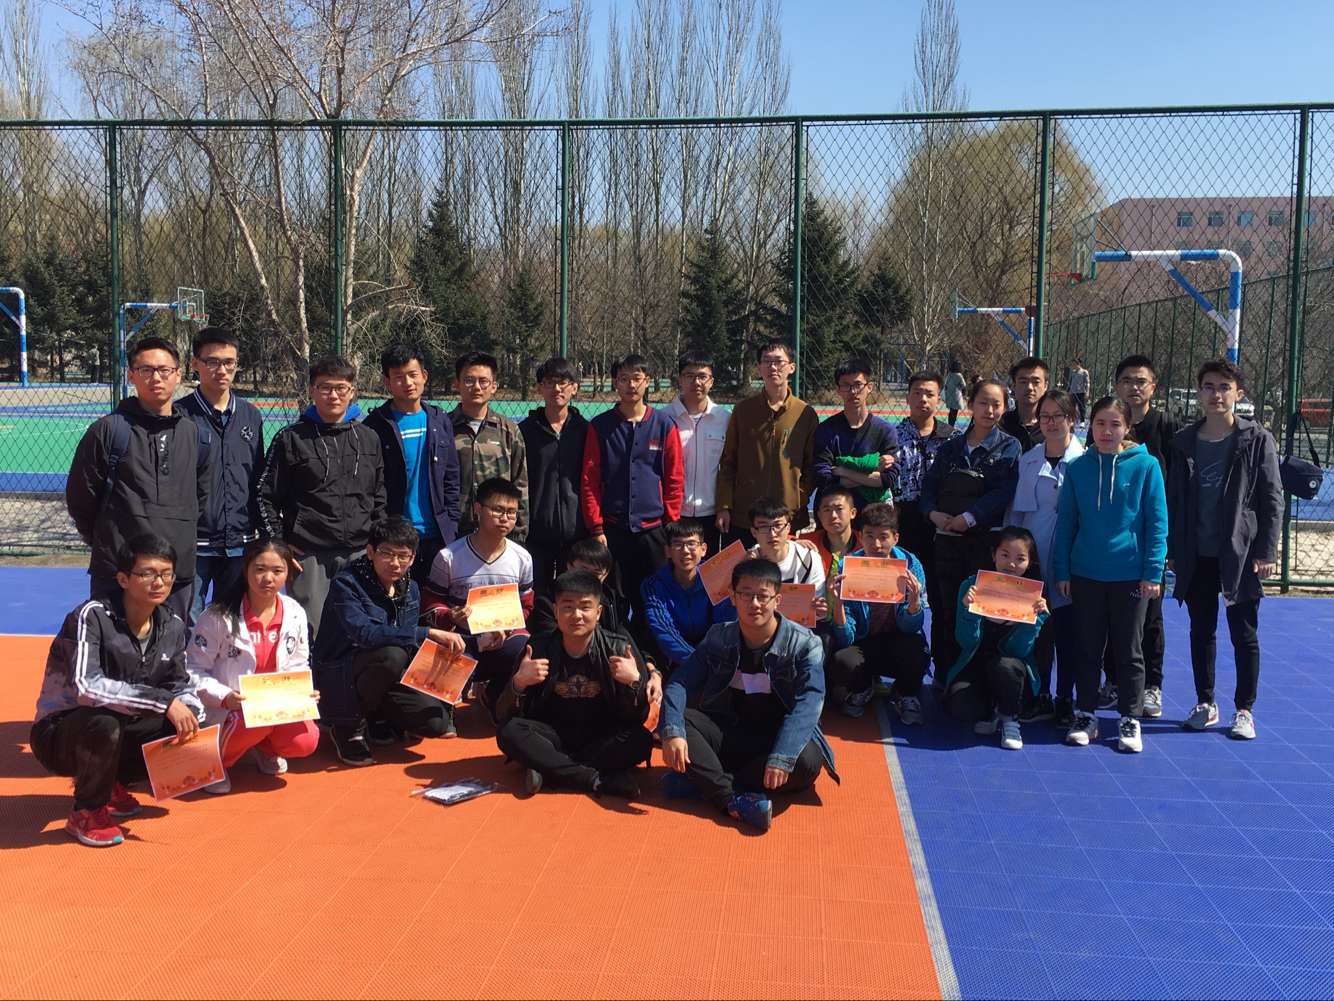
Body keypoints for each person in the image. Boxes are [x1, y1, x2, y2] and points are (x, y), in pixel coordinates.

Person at [30, 533, 204, 847]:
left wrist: (190, 709)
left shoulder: (173, 625)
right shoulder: (92, 616)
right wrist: (163, 702)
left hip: (123, 722)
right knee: (105, 722)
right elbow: (86, 687)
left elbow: (178, 684)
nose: (159, 582)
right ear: (124, 579)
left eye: (166, 574)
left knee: (182, 720)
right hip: (60, 732)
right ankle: (86, 811)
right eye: (147, 573)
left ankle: (112, 783)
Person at [659, 558, 840, 834]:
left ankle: (705, 781)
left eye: (763, 596)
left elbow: (809, 703)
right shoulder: (718, 636)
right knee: (680, 720)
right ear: (733, 597)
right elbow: (680, 682)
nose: (754, 604)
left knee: (806, 762)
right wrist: (672, 731)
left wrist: (782, 756)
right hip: (729, 733)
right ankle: (731, 799)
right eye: (745, 594)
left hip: (775, 740)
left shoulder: (805, 644)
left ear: (777, 600)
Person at [1168, 359, 1282, 740]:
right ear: (1199, 392)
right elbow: (1175, 500)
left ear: (1238, 393)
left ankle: (1244, 709)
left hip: (1240, 555)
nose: (1216, 394)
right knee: (1201, 629)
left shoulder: (1256, 439)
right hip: (1197, 553)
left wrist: (1266, 550)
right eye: (1209, 386)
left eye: (1224, 387)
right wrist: (1174, 548)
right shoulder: (1184, 441)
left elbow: (1272, 499)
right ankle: (1206, 702)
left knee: (1243, 632)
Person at [1053, 396, 1168, 754]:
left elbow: (1157, 523)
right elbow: (1067, 523)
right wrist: (1063, 569)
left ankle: (1129, 718)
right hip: (1085, 574)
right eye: (1100, 423)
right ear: (1090, 426)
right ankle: (1086, 714)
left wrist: (1152, 571)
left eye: (1115, 424)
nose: (1106, 431)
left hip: (1130, 576)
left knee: (1129, 650)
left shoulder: (1146, 466)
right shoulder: (1078, 469)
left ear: (1127, 428)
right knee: (1087, 647)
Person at [66, 335, 209, 621]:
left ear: (178, 375)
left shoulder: (194, 434)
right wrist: (108, 541)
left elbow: (200, 496)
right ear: (131, 375)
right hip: (119, 571)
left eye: (164, 370)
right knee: (114, 643)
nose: (156, 377)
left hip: (175, 573)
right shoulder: (108, 431)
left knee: (172, 643)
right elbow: (81, 497)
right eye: (146, 370)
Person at [314, 517, 470, 766]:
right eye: (386, 553)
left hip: (387, 671)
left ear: (413, 558)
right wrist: (427, 633)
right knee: (392, 655)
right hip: (341, 672)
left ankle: (377, 715)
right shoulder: (346, 583)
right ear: (370, 552)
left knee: (435, 722)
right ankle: (347, 727)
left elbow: (409, 638)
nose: (395, 563)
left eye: (403, 556)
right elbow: (365, 634)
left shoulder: (411, 588)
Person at [256, 356, 386, 637]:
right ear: (311, 391)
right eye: (325, 387)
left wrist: (376, 545)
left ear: (352, 392)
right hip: (309, 556)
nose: (333, 395)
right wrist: (279, 544)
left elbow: (379, 497)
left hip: (359, 552)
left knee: (358, 633)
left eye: (341, 388)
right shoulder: (291, 438)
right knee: (309, 633)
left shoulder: (369, 438)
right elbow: (265, 496)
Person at [495, 571, 653, 799]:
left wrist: (633, 684)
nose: (576, 615)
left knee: (641, 740)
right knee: (509, 731)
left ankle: (548, 768)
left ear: (598, 612)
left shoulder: (619, 648)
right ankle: (595, 779)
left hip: (601, 736)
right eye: (567, 607)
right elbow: (503, 713)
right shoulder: (538, 648)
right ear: (556, 612)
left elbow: (637, 717)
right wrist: (518, 683)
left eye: (585, 607)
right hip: (552, 735)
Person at [188, 539, 319, 792]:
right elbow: (192, 670)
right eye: (259, 569)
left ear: (288, 573)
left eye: (277, 571)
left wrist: (302, 692)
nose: (268, 578)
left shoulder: (294, 612)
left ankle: (263, 748)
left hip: (272, 706)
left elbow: (298, 662)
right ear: (245, 569)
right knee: (252, 720)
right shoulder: (218, 616)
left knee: (305, 741)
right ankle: (210, 764)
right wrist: (225, 697)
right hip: (229, 708)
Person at [1094, 354, 1181, 716]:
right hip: (1115, 546)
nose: (1134, 387)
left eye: (1140, 381)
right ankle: (1114, 680)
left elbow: (1175, 487)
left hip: (1150, 544)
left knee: (1150, 618)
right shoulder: (1106, 426)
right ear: (1117, 385)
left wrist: (1169, 545)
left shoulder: (1167, 426)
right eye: (1127, 380)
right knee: (1111, 617)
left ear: (1153, 387)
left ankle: (1152, 685)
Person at [920, 379, 1021, 675]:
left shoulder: (1009, 446)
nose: (989, 410)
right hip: (946, 541)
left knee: (977, 608)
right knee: (945, 608)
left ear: (1004, 408)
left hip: (982, 542)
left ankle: (973, 676)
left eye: (996, 404)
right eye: (983, 403)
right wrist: (931, 513)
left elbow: (1003, 492)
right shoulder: (951, 447)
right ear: (971, 404)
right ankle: (944, 674)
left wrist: (970, 517)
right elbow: (930, 485)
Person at [580, 353, 684, 632]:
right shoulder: (600, 426)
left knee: (654, 599)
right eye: (624, 379)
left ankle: (654, 653)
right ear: (615, 383)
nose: (631, 385)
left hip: (653, 531)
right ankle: (616, 649)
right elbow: (590, 481)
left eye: (637, 378)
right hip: (613, 529)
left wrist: (669, 524)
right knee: (614, 598)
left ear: (647, 381)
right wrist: (596, 527)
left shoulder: (664, 425)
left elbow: (674, 478)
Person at [422, 477, 534, 719]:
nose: (505, 518)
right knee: (435, 723)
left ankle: (495, 695)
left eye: (511, 512)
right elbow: (430, 605)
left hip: (503, 638)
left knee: (527, 647)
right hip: (460, 640)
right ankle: (448, 701)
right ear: (478, 509)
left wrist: (507, 627)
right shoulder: (449, 557)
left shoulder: (522, 558)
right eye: (498, 510)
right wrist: (451, 616)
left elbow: (526, 606)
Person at [1005, 389, 1084, 728]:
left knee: (1068, 633)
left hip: (1071, 560)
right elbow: (1017, 514)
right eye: (1045, 416)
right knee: (1038, 631)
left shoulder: (1086, 462)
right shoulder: (1029, 460)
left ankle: (1065, 697)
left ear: (1072, 419)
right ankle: (1039, 696)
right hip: (1033, 558)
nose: (1050, 423)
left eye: (1058, 416)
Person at [180, 327, 265, 623]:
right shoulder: (179, 415)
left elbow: (257, 477)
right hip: (193, 543)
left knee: (231, 624)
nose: (222, 370)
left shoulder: (251, 415)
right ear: (196, 364)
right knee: (186, 622)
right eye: (213, 362)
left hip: (240, 541)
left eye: (229, 362)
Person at [941, 527, 1050, 751]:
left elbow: (1019, 651)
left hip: (1011, 670)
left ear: (1029, 562)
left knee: (1005, 666)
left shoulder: (1034, 598)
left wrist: (1035, 620)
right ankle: (992, 710)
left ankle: (1010, 718)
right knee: (962, 709)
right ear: (994, 555)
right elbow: (966, 642)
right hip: (975, 665)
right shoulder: (971, 586)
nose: (1011, 564)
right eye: (1005, 555)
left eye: (1020, 558)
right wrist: (968, 610)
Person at [364, 344, 462, 587]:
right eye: (398, 377)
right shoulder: (375, 425)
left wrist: (451, 522)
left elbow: (451, 477)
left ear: (424, 376)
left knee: (436, 600)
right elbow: (371, 485)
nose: (407, 382)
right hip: (395, 538)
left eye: (412, 374)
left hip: (438, 535)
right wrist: (381, 527)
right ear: (387, 382)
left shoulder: (440, 420)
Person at [827, 503, 929, 723]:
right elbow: (846, 638)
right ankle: (864, 687)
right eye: (869, 536)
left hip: (898, 638)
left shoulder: (911, 565)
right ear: (860, 536)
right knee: (842, 660)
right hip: (864, 641)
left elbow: (912, 627)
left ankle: (904, 692)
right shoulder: (847, 567)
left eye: (883, 537)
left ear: (895, 538)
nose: (876, 544)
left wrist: (913, 602)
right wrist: (838, 603)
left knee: (918, 652)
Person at [714, 340, 818, 549]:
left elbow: (811, 465)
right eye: (767, 362)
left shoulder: (805, 414)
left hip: (787, 518)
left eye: (779, 362)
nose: (773, 367)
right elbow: (728, 462)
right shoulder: (743, 410)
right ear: (759, 368)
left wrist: (798, 497)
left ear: (792, 367)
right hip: (745, 516)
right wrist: (724, 506)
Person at [519, 356, 588, 597]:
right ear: (540, 387)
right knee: (537, 596)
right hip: (537, 532)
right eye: (549, 382)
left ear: (574, 388)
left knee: (573, 594)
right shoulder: (524, 431)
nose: (556, 389)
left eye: (563, 382)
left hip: (577, 531)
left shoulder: (586, 430)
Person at [641, 519, 738, 674]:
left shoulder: (716, 578)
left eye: (692, 544)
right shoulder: (653, 585)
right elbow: (663, 630)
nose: (685, 551)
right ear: (667, 551)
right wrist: (698, 661)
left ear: (703, 549)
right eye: (678, 544)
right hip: (672, 657)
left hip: (713, 655)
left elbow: (724, 624)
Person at [451, 351, 528, 541]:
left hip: (497, 532)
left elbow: (520, 484)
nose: (476, 387)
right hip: (454, 530)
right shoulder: (443, 428)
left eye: (483, 381)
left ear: (494, 386)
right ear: (457, 384)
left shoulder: (509, 430)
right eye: (469, 380)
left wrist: (519, 533)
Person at [893, 370, 961, 566]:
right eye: (917, 393)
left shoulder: (953, 438)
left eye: (930, 394)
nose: (923, 399)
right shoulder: (892, 437)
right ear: (907, 398)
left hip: (942, 518)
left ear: (939, 399)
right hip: (903, 518)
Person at [811, 357, 899, 504]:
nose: (853, 391)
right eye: (846, 385)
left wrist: (843, 471)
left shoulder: (885, 431)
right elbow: (823, 478)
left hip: (872, 512)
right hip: (835, 510)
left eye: (858, 385)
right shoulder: (825, 430)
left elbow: (888, 479)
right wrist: (873, 472)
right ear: (838, 389)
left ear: (869, 387)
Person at [667, 351, 730, 555]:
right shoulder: (664, 419)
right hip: (674, 513)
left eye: (702, 376)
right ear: (680, 379)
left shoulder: (724, 419)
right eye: (689, 376)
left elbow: (729, 468)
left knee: (709, 569)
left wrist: (724, 507)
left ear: (712, 381)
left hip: (711, 515)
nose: (696, 382)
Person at [748, 499, 829, 631]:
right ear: (753, 532)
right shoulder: (748, 563)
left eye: (778, 525)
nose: (772, 534)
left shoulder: (809, 558)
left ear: (788, 528)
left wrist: (819, 610)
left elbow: (817, 610)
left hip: (801, 630)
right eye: (764, 527)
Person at [797, 484, 860, 578]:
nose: (833, 515)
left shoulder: (866, 544)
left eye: (839, 509)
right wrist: (793, 542)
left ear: (853, 513)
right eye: (827, 510)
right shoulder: (806, 543)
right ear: (819, 515)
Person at [998, 356, 1048, 451]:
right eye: (1023, 382)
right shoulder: (1001, 424)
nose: (1029, 387)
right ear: (1013, 386)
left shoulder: (1053, 424)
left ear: (1045, 386)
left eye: (1036, 382)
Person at [943, 360, 967, 427]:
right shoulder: (959, 375)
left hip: (949, 395)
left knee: (951, 411)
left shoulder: (950, 374)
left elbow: (946, 384)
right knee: (955, 411)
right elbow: (964, 385)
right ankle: (952, 425)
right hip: (956, 395)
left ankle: (950, 424)